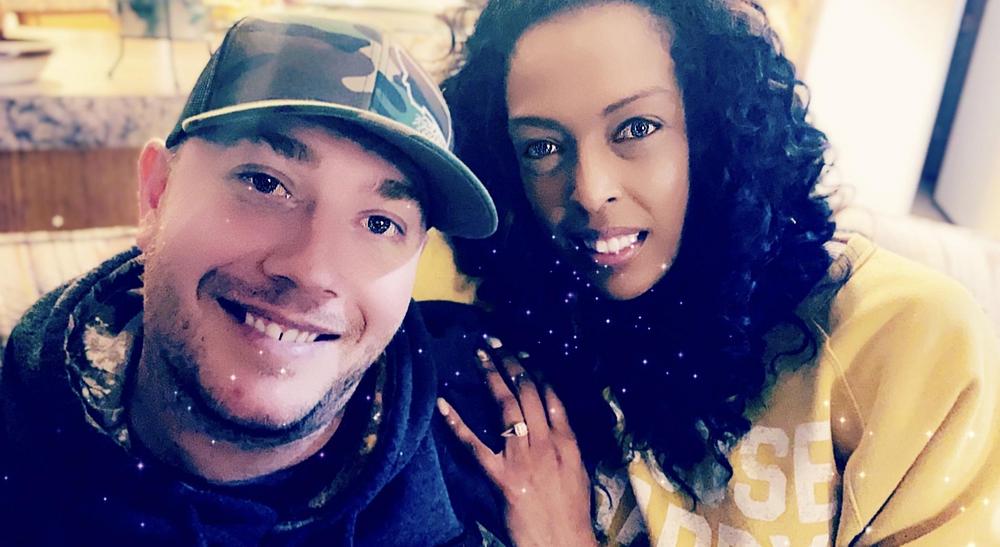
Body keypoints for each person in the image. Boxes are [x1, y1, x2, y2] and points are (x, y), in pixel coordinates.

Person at [436, 1, 1000, 545]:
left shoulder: (906, 339)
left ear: (714, 128)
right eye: (541, 147)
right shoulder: (514, 327)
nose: (589, 190)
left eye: (636, 128)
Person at [0, 14, 503, 546]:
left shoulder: (497, 459)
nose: (311, 270)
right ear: (156, 194)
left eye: (380, 223)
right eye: (265, 183)